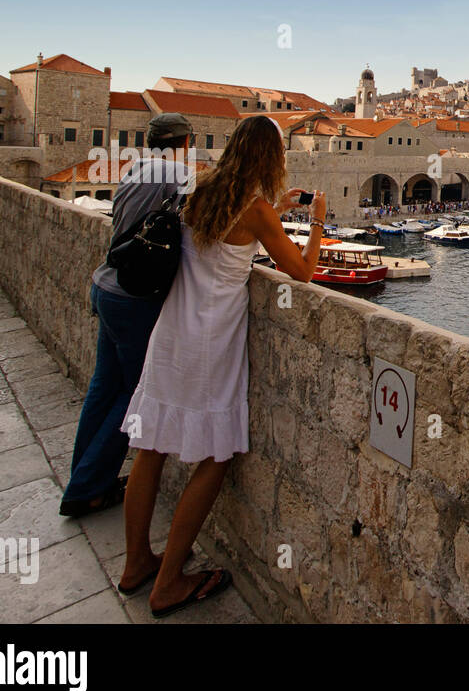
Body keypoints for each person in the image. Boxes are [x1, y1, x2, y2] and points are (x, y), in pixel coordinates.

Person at [118, 115, 325, 617]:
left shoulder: (202, 189)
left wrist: (273, 209)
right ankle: (168, 585)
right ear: (270, 159)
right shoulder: (255, 210)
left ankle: (136, 564)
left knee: (149, 449)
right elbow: (302, 272)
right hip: (210, 346)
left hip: (170, 336)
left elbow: (224, 233)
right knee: (216, 457)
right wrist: (316, 221)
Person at [60, 113, 195, 518]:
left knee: (103, 387)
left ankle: (83, 477)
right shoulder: (177, 172)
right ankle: (86, 489)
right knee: (133, 393)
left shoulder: (134, 167)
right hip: (135, 298)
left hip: (106, 283)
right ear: (184, 142)